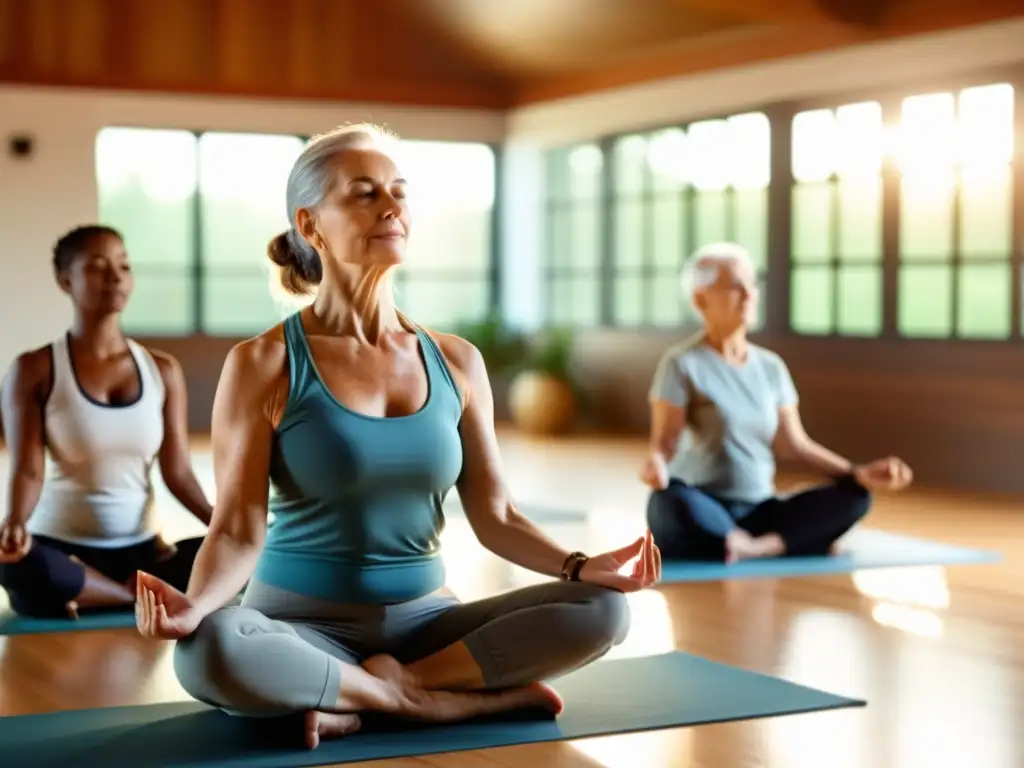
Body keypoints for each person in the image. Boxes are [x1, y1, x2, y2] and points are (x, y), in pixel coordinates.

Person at [134, 123, 660, 750]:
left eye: (399, 192)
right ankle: (434, 704)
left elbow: (496, 515)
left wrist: (581, 565)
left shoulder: (457, 361)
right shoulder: (264, 364)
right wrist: (196, 607)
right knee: (210, 650)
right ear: (311, 225)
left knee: (603, 610)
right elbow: (238, 527)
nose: (392, 206)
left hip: (429, 624)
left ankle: (368, 696)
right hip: (298, 626)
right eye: (364, 193)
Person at [640, 242, 913, 564]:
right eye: (735, 286)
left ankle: (753, 547)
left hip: (761, 508)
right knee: (666, 501)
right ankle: (777, 543)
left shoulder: (771, 367)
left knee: (855, 497)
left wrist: (856, 472)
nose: (749, 294)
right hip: (706, 504)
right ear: (701, 300)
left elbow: (794, 444)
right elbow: (666, 441)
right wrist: (657, 463)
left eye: (751, 284)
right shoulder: (682, 363)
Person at [0, 225, 213, 619]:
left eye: (124, 266)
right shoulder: (34, 369)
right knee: (16, 565)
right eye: (98, 267)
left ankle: (100, 593)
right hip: (62, 550)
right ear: (66, 281)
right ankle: (131, 596)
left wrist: (225, 528)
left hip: (144, 553)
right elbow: (28, 469)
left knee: (251, 556)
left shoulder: (162, 370)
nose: (115, 277)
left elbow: (179, 471)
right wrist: (14, 522)